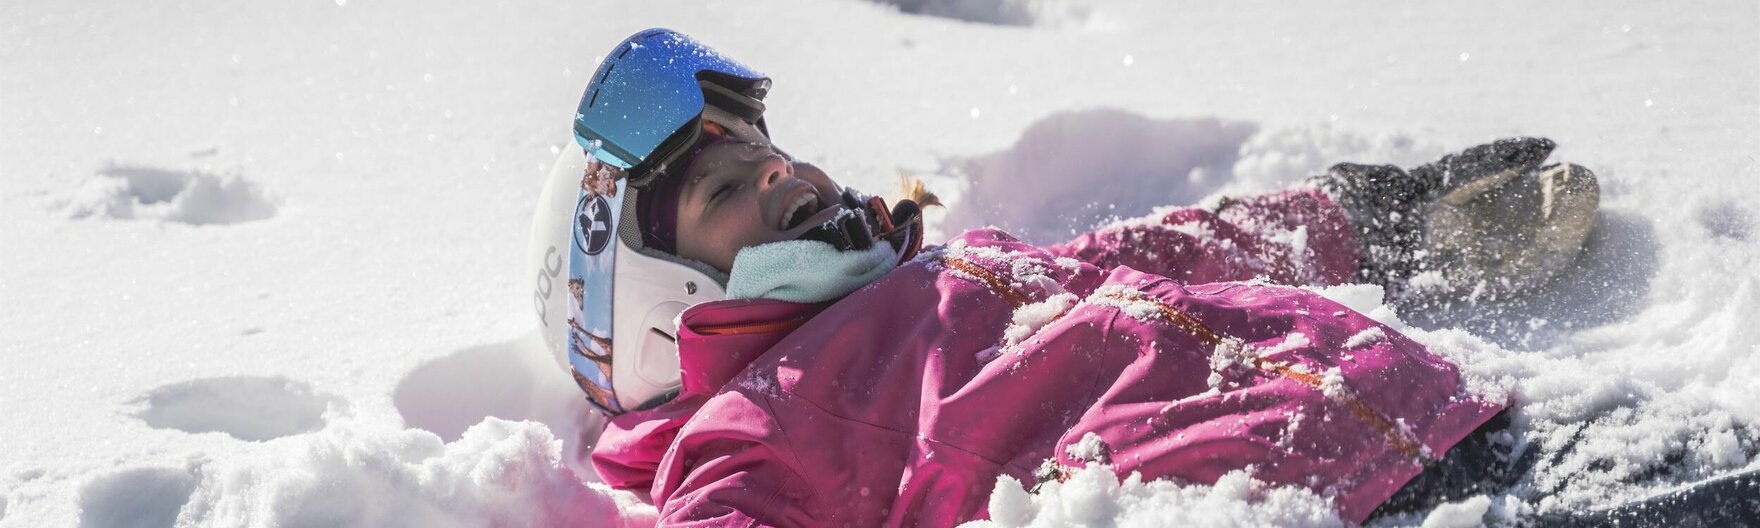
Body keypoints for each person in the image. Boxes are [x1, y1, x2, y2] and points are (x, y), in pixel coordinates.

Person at [526, 29, 1604, 526]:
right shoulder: (750, 431)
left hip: (1462, 424)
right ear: (655, 307)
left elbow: (1165, 255)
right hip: (1303, 508)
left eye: (764, 150)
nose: (778, 167)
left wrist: (1366, 216)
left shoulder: (960, 271)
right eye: (723, 188)